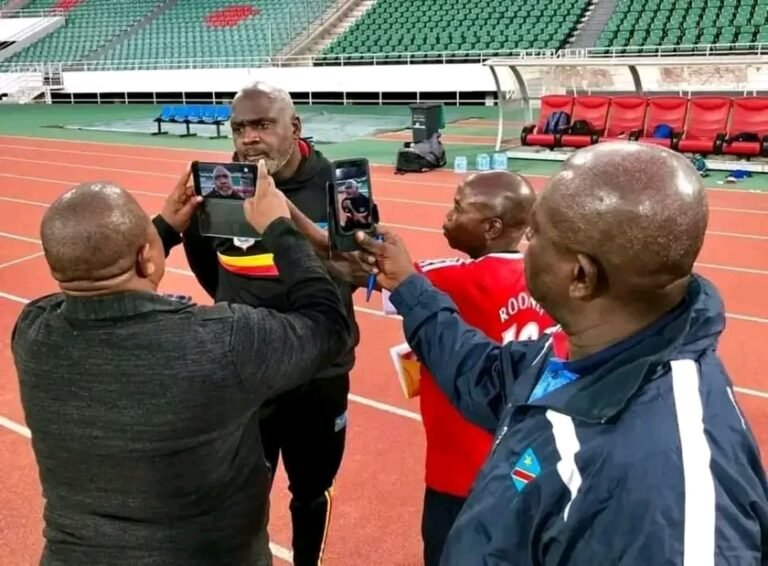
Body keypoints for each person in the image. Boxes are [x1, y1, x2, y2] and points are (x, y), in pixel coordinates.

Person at [356, 142, 768, 564]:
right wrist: (408, 287)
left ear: (580, 276)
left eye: (536, 234)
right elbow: (481, 373)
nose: (525, 241)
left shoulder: (668, 493)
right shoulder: (580, 354)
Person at [11, 161, 352, 566]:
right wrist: (280, 228)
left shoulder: (32, 332)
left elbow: (96, 275)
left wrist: (161, 230)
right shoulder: (222, 342)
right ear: (147, 258)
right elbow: (329, 325)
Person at [152, 81, 358, 566]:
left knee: (311, 489)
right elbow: (207, 265)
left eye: (263, 124)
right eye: (240, 127)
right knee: (243, 492)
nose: (250, 137)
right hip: (247, 369)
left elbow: (352, 273)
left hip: (319, 374)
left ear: (294, 126)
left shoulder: (337, 187)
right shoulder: (218, 186)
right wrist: (242, 309)